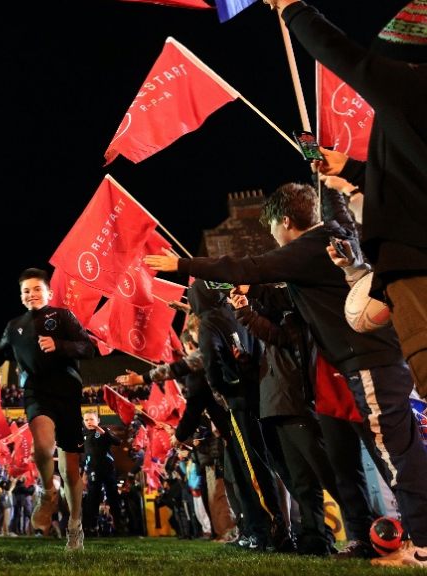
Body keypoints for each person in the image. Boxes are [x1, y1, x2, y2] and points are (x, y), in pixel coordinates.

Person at [146, 182, 427, 566]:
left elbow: (252, 267)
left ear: (283, 221)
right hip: (339, 371)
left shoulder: (313, 244)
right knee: (356, 464)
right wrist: (249, 296)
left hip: (365, 362)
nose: (273, 238)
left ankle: (420, 543)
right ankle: (368, 537)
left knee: (393, 455)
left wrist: (183, 265)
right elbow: (284, 295)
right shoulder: (327, 243)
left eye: (272, 229)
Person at [263, 0, 427, 407]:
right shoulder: (408, 114)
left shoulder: (412, 89)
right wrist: (352, 170)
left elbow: (339, 53)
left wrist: (292, 8)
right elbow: (410, 173)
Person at [0, 268, 95, 551]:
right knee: (42, 448)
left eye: (36, 289)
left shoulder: (63, 317)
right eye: (26, 291)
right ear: (21, 297)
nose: (31, 294)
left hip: (67, 393)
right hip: (35, 392)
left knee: (70, 470)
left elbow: (88, 348)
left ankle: (74, 526)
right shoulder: (14, 326)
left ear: (49, 292)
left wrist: (60, 345)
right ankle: (47, 492)